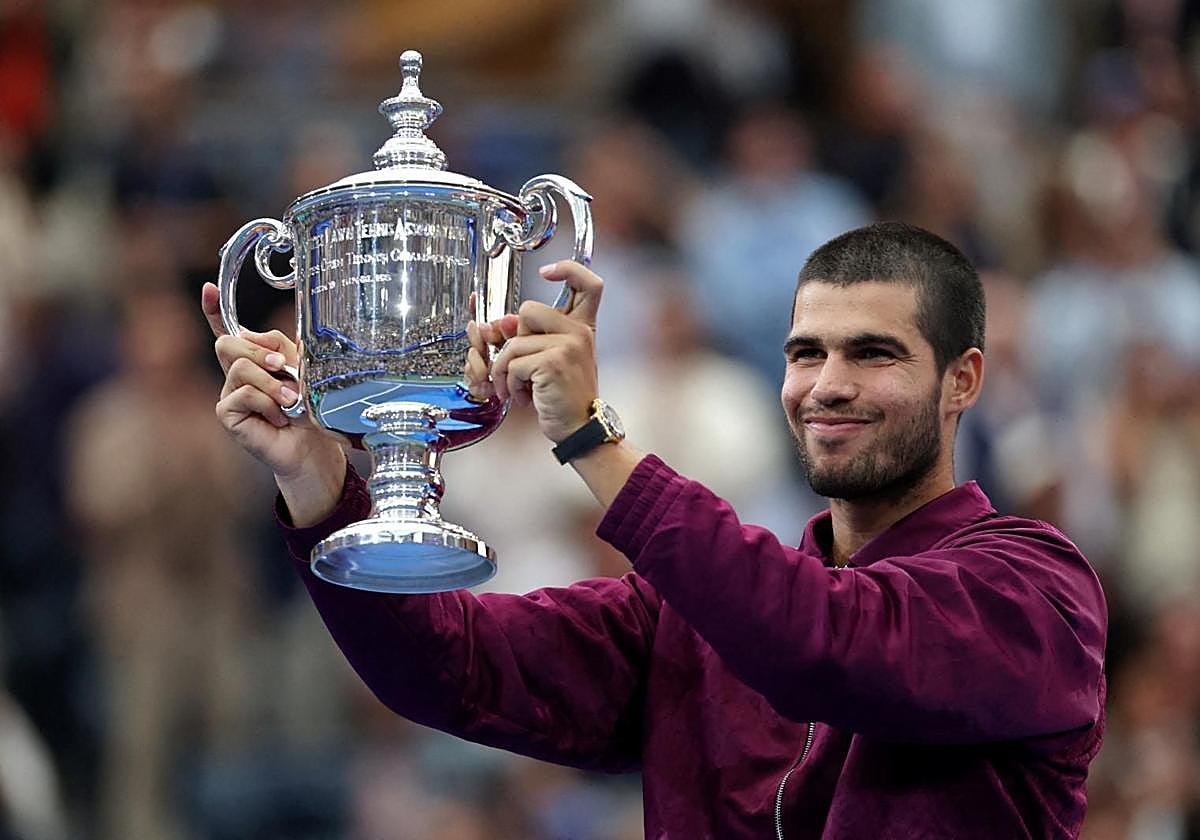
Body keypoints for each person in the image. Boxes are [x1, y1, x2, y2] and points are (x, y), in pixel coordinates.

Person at [201, 222, 1107, 838]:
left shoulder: (1035, 591)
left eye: (874, 353)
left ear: (964, 380)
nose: (828, 384)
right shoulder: (686, 619)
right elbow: (447, 667)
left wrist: (591, 435)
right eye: (805, 353)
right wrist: (326, 491)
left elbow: (822, 642)